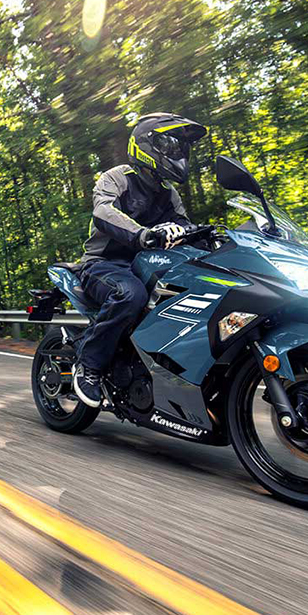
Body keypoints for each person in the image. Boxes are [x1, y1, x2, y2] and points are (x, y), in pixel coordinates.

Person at [73, 113, 208, 407]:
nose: (178, 153)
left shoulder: (168, 193)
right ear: (147, 145)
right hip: (104, 265)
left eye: (181, 149)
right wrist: (143, 235)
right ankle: (89, 366)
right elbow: (104, 212)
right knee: (130, 295)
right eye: (171, 146)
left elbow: (186, 225)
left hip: (149, 266)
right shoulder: (117, 177)